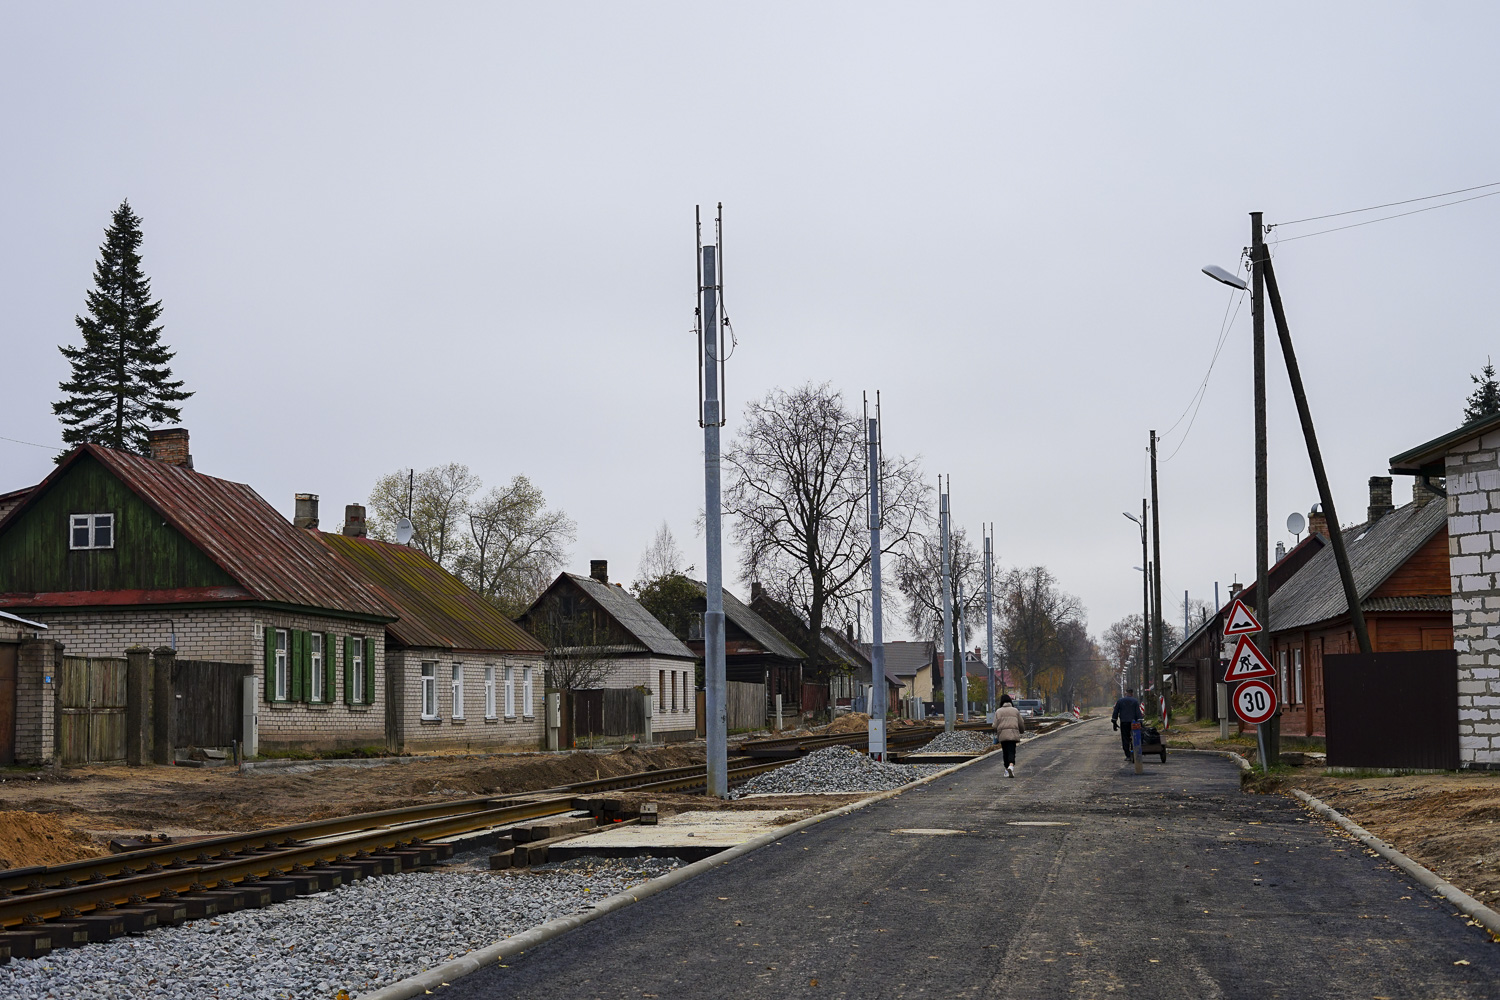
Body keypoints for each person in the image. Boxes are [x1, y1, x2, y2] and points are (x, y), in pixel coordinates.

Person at [994, 694, 1025, 778]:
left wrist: (996, 731)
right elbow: (1021, 723)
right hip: (1013, 734)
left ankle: (1006, 769)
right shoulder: (1015, 711)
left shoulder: (998, 711)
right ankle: (1011, 766)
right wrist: (1021, 731)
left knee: (1005, 752)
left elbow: (995, 725)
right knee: (1012, 750)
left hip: (1003, 735)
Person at [1112, 688, 1143, 763]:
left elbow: (1116, 711)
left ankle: (1128, 755)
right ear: (1132, 693)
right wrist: (1140, 722)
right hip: (1134, 723)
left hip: (1124, 722)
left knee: (1125, 738)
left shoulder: (1120, 701)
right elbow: (1138, 712)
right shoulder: (1135, 701)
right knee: (1134, 737)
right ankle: (1134, 752)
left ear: (1126, 693)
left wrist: (1114, 722)